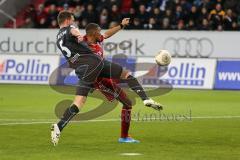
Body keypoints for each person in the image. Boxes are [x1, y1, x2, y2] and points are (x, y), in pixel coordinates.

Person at [51, 10, 163, 146]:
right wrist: (79, 35)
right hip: (98, 78)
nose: (101, 35)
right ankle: (126, 135)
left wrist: (121, 25)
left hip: (93, 71)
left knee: (79, 103)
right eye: (98, 32)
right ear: (92, 34)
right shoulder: (82, 39)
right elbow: (74, 32)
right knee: (127, 99)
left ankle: (59, 126)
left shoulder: (89, 40)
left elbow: (106, 34)